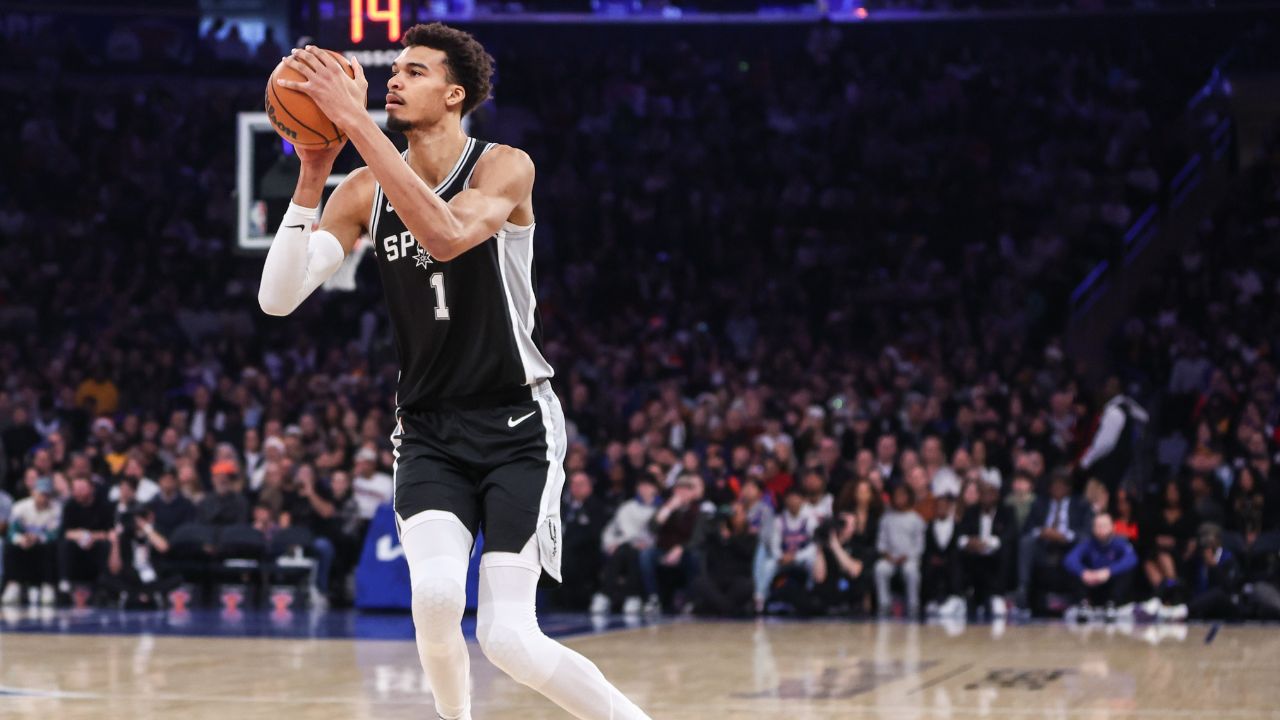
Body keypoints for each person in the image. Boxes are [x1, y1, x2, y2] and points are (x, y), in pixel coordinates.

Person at [260, 23, 649, 719]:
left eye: (413, 71)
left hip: (516, 423)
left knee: (509, 640)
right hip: (431, 428)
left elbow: (443, 236)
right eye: (394, 71)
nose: (393, 81)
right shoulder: (358, 191)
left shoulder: (504, 166)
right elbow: (278, 298)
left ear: (455, 93)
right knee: (436, 599)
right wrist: (314, 172)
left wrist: (352, 119)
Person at [1016, 469, 1092, 611]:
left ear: (1068, 488)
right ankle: (1023, 589)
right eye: (1054, 485)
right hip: (1043, 546)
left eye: (1061, 485)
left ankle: (1082, 599)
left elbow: (1086, 533)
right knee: (1026, 542)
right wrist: (1042, 532)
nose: (1056, 488)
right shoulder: (1039, 503)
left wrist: (1064, 536)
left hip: (1069, 547)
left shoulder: (1080, 505)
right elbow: (1027, 528)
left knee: (1082, 544)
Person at [593, 472, 659, 615]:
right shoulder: (627, 507)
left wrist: (646, 543)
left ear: (655, 488)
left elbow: (658, 534)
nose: (644, 489)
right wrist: (610, 543)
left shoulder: (659, 509)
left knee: (631, 552)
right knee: (623, 551)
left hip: (646, 547)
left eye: (648, 486)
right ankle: (606, 595)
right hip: (624, 546)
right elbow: (612, 529)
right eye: (641, 486)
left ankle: (631, 596)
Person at [957, 479, 1017, 617]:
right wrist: (969, 542)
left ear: (997, 496)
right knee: (958, 553)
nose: (987, 498)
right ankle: (961, 595)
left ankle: (998, 596)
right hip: (974, 553)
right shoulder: (971, 511)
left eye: (991, 494)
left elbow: (1010, 534)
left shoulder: (1006, 511)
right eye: (984, 494)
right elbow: (960, 535)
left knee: (1006, 550)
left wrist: (989, 543)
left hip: (995, 552)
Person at [1, 476, 61, 605]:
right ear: (33, 492)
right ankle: (13, 584)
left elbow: (55, 533)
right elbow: (11, 532)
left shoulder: (56, 509)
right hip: (24, 543)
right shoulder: (20, 507)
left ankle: (47, 586)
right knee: (10, 546)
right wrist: (20, 539)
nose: (43, 498)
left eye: (46, 495)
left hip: (42, 545)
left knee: (51, 547)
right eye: (41, 494)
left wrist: (37, 538)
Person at [1063, 513, 1138, 616]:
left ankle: (1112, 604)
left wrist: (1109, 571)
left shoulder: (1120, 542)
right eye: (1098, 526)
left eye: (1105, 526)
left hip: (1110, 583)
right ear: (1093, 528)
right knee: (1072, 571)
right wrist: (1083, 572)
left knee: (1127, 571)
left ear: (1112, 527)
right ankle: (1084, 604)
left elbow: (1132, 559)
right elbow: (1069, 559)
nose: (1101, 529)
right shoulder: (1087, 543)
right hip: (1091, 584)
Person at [874, 484, 925, 618]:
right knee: (880, 568)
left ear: (908, 497)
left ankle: (913, 605)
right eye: (897, 496)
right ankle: (884, 605)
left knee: (911, 571)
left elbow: (919, 546)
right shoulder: (886, 519)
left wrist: (907, 556)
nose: (900, 499)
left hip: (909, 559)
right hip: (890, 559)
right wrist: (888, 556)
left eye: (903, 495)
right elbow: (881, 543)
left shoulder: (916, 519)